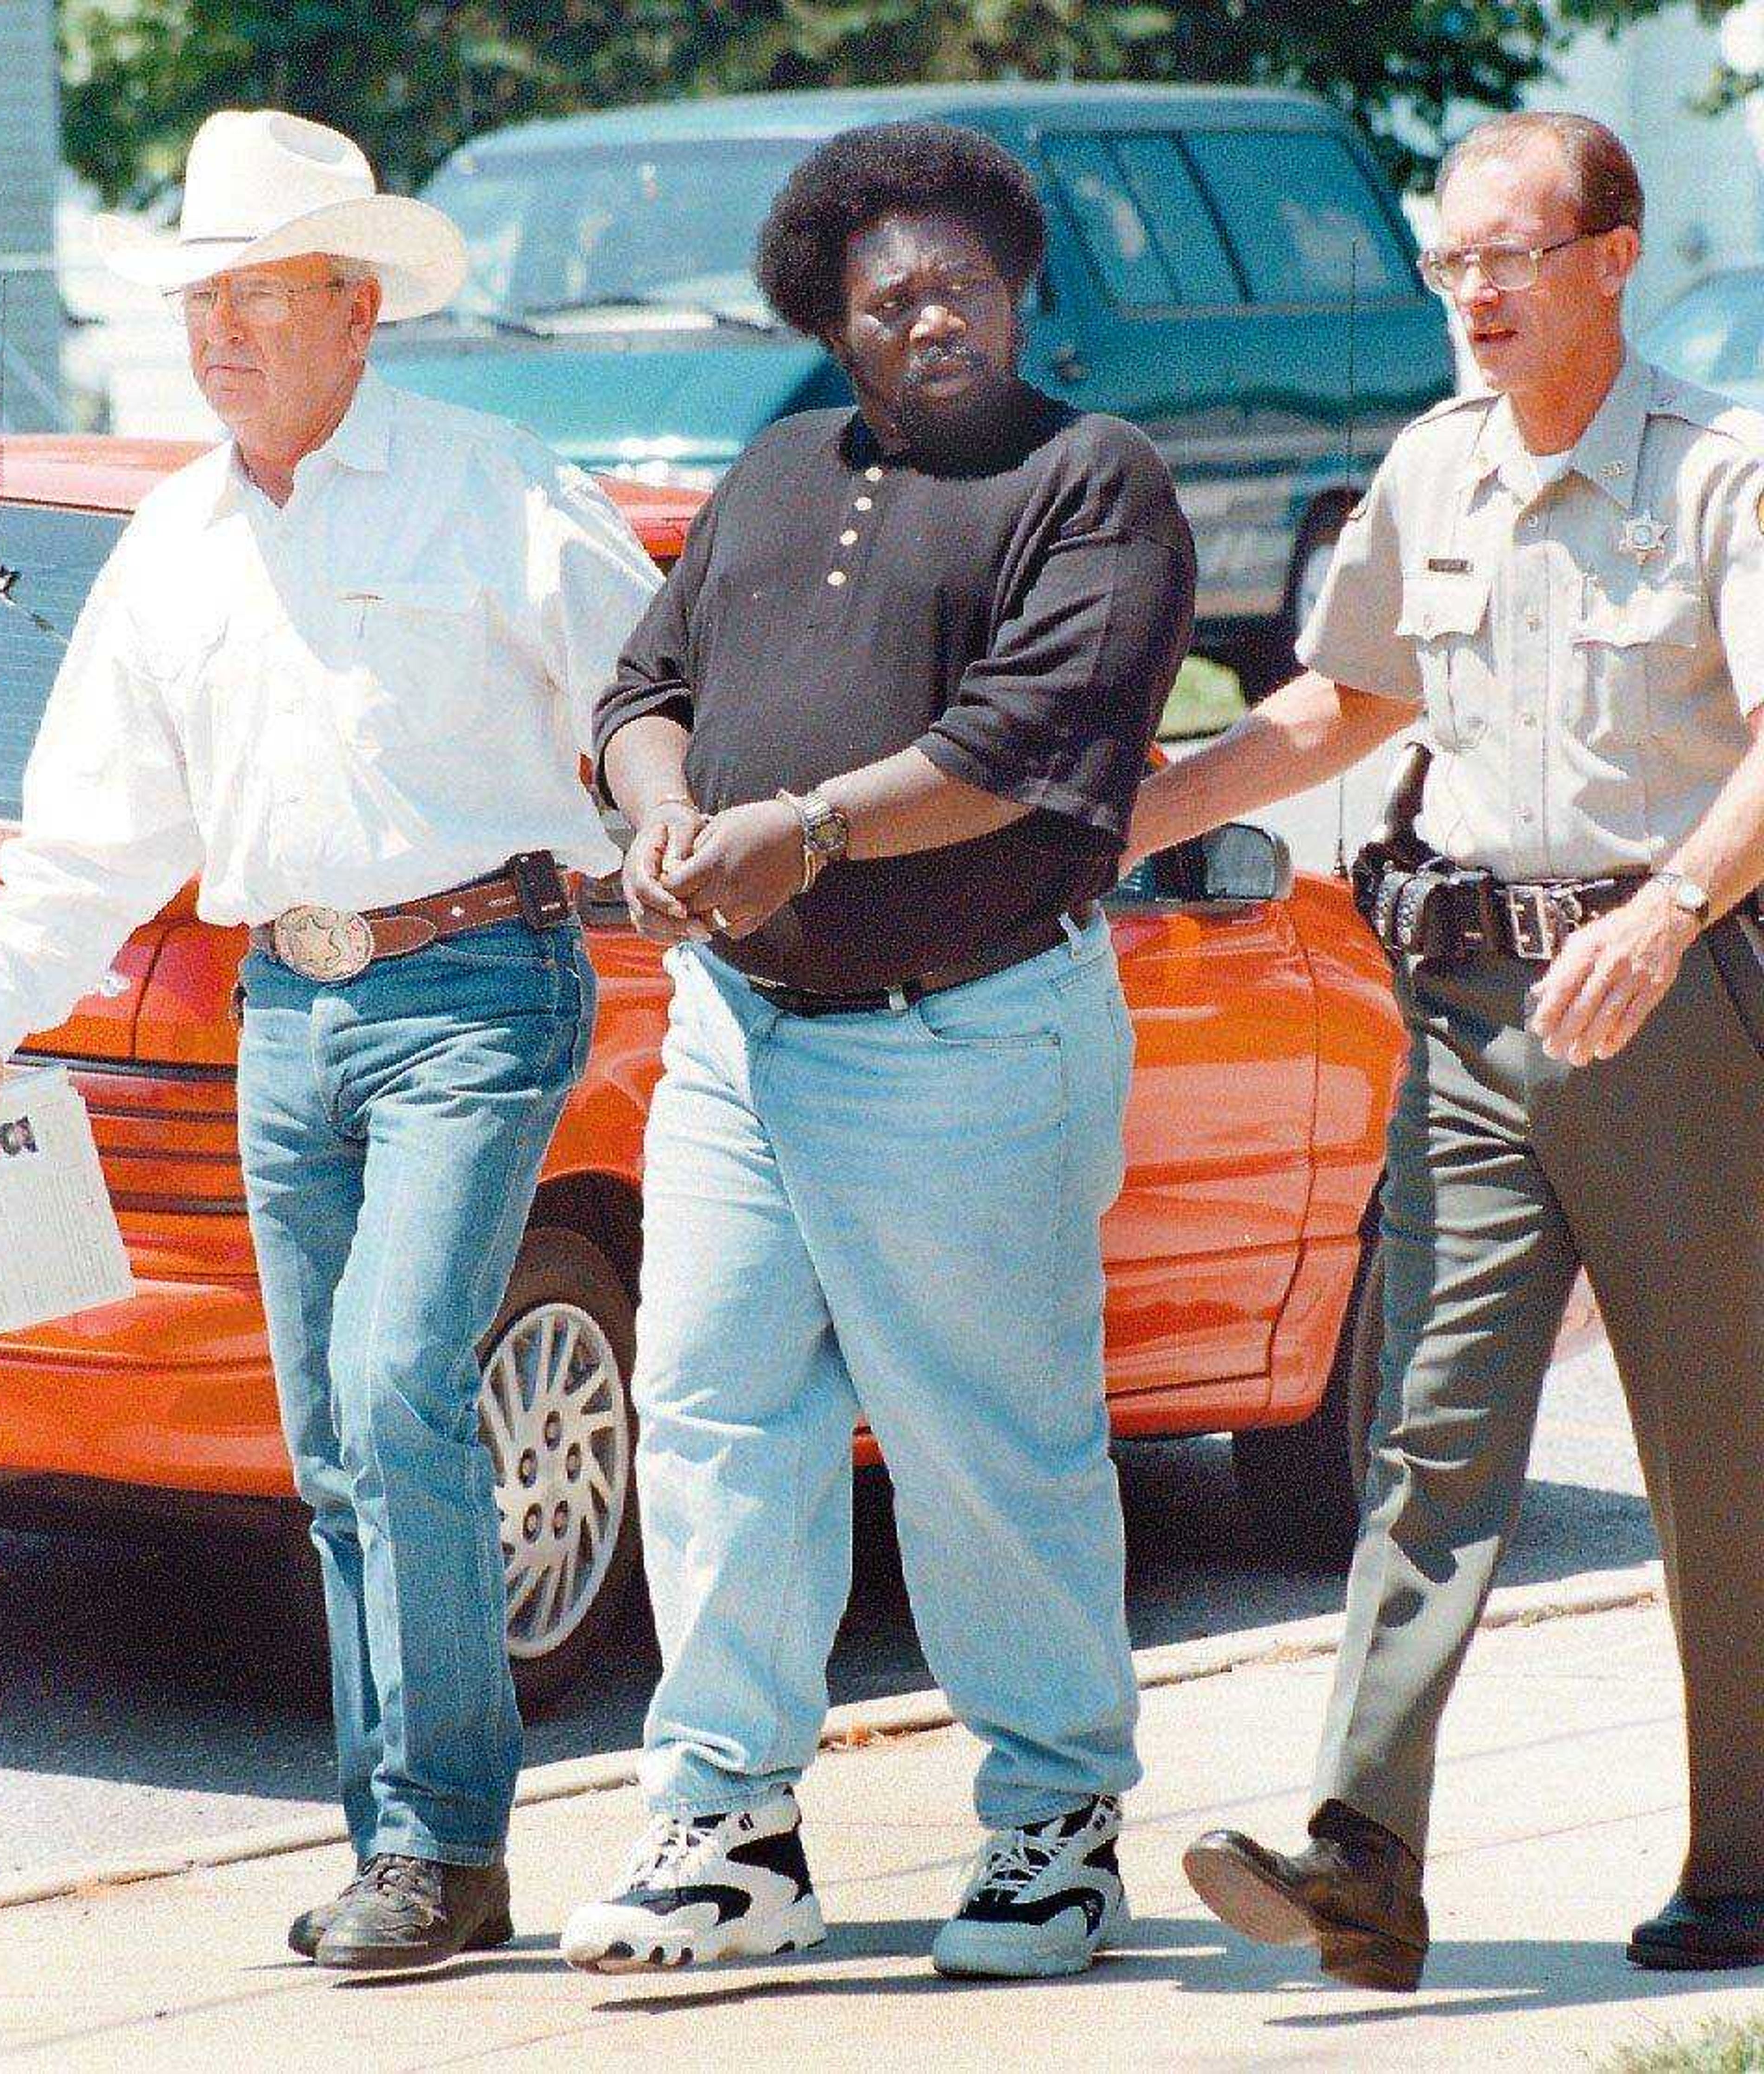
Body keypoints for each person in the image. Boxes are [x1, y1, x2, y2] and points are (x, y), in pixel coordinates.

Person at [0, 109, 659, 1969]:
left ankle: (439, 1838)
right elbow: (96, 835)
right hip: (288, 1009)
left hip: (480, 992)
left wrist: (696, 857)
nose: (218, 337)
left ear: (358, 307)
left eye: (257, 298)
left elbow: (655, 709)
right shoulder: (178, 546)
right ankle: (416, 1844)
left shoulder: (495, 486)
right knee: (336, 1441)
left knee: (391, 1389)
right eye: (199, 303)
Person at [1124, 110, 1764, 1988]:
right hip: (1470, 1020)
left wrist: (1666, 917)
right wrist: (1139, 816)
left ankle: (1749, 1854)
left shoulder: (1720, 475)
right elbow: (1350, 698)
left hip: (1671, 1007)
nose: (1475, 293)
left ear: (1615, 258)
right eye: (1450, 262)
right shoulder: (1432, 469)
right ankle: (1364, 1855)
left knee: (1717, 1448)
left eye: (1514, 256)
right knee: (1429, 1428)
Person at [556, 120, 1195, 1981]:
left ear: (1020, 287)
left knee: (986, 1450)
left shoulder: (1095, 482)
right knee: (714, 1421)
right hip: (739, 1039)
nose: (935, 313)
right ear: (830, 316)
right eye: (890, 290)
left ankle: (1056, 1833)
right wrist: (665, 814)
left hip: (969, 1041)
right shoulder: (770, 471)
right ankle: (729, 1834)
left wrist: (806, 833)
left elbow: (1028, 742)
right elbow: (642, 690)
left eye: (965, 280)